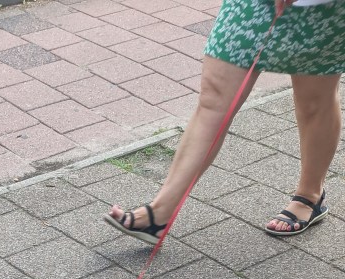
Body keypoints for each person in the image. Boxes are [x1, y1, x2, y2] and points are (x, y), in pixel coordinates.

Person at [104, 0, 344, 241]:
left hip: (324, 11)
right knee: (213, 99)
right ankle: (159, 213)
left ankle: (310, 195)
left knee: (314, 103)